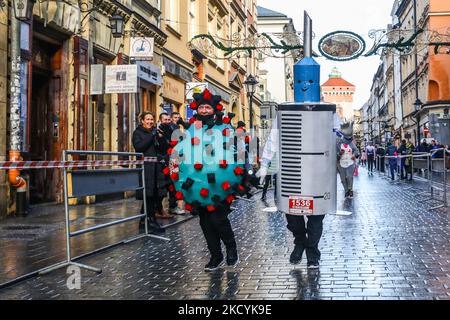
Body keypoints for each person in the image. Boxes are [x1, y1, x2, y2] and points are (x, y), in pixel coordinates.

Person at [169, 89, 246, 271]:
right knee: (205, 222)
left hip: (220, 186)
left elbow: (237, 149)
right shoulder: (191, 129)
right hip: (197, 186)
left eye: (207, 108)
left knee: (218, 219)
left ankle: (231, 248)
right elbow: (180, 149)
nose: (204, 111)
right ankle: (215, 255)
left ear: (214, 109)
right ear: (197, 109)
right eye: (201, 107)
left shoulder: (224, 128)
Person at [256, 115, 325, 269]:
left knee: (316, 218)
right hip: (291, 172)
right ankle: (300, 242)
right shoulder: (285, 113)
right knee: (292, 214)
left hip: (317, 173)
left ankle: (312, 253)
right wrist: (265, 164)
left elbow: (335, 136)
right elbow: (273, 139)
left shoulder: (326, 112)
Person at [132, 111, 165, 233]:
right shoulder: (138, 133)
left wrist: (161, 138)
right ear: (142, 121)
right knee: (148, 194)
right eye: (147, 119)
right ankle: (148, 220)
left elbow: (161, 148)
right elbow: (139, 147)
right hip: (145, 168)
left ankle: (146, 219)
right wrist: (151, 135)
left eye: (152, 119)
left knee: (155, 194)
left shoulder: (154, 133)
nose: (150, 122)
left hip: (156, 168)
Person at [336, 122, 359, 198]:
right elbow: (335, 154)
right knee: (343, 179)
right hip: (341, 164)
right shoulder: (338, 143)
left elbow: (356, 151)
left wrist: (354, 155)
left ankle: (350, 190)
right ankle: (346, 191)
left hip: (350, 163)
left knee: (349, 177)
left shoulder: (351, 143)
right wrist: (339, 153)